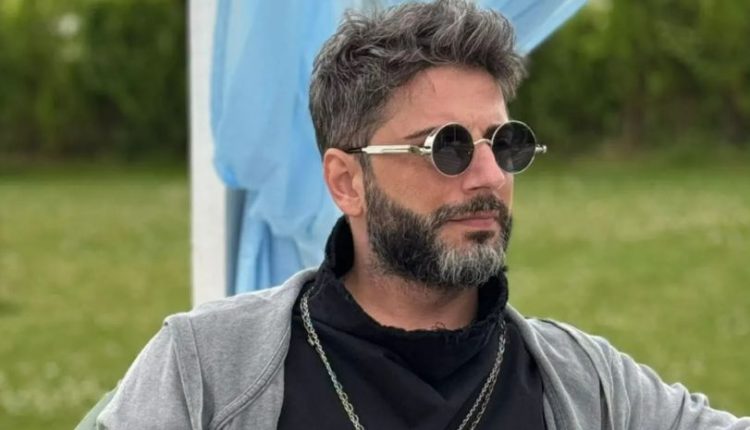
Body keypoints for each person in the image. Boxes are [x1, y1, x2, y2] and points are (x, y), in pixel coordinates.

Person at [80, 0, 748, 428]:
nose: (490, 176)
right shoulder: (208, 370)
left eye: (505, 144)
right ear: (347, 182)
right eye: (446, 147)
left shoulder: (586, 386)